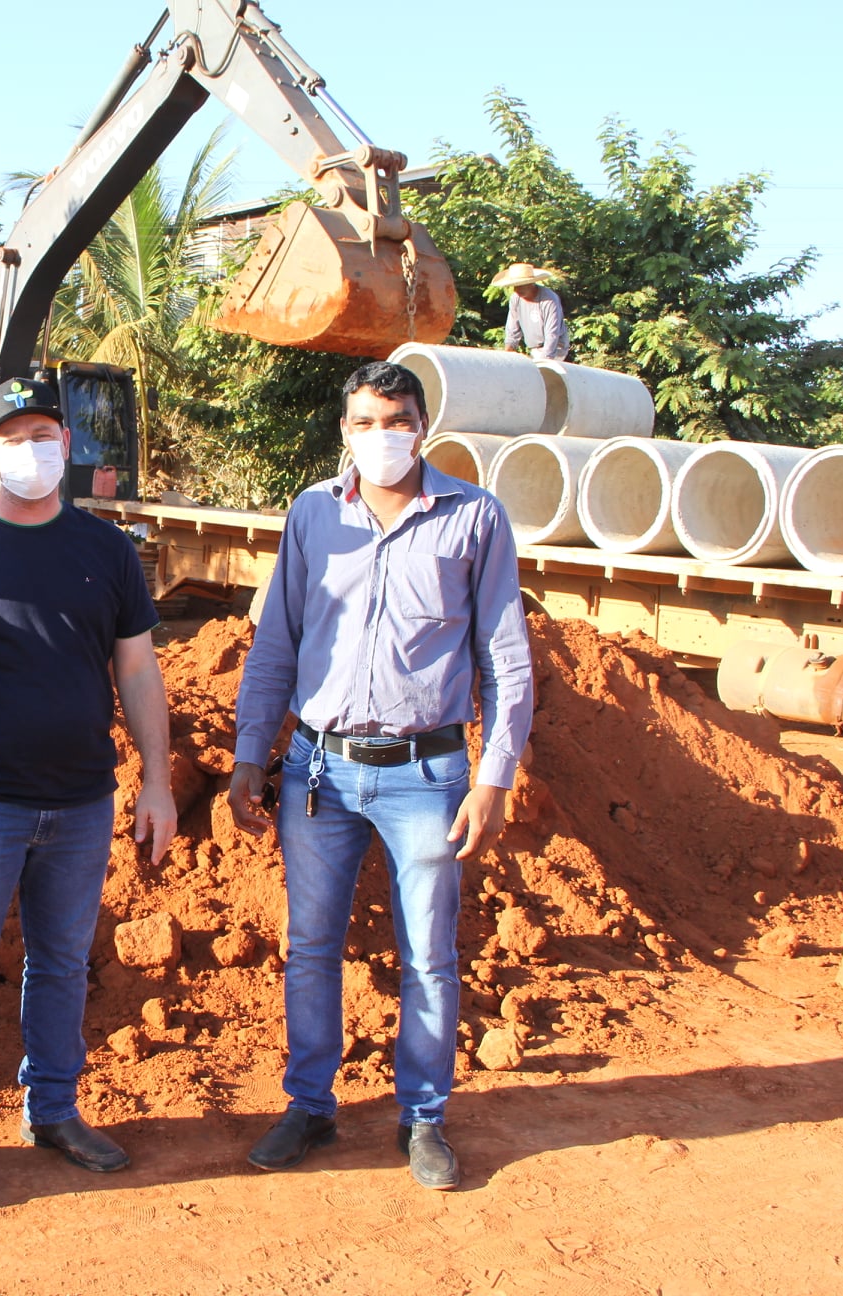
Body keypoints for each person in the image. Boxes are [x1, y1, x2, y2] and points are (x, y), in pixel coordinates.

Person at [227, 359, 533, 1192]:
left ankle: (423, 1118)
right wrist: (251, 754)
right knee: (311, 947)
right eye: (364, 422)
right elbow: (276, 645)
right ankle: (310, 1105)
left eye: (394, 421)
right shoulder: (312, 515)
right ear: (343, 431)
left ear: (421, 427)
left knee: (429, 955)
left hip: (426, 772)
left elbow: (504, 655)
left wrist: (495, 776)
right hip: (318, 773)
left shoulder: (473, 518)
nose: (379, 437)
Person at [0, 377, 177, 1205]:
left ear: (68, 443)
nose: (34, 450)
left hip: (82, 800)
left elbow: (137, 670)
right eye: (14, 437)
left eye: (45, 432)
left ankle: (52, 1108)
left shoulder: (107, 551)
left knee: (61, 963)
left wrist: (156, 780)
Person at [493, 262, 569, 361]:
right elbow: (512, 329)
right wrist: (508, 354)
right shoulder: (515, 298)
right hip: (534, 347)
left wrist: (545, 360)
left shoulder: (549, 300)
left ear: (531, 283)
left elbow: (552, 334)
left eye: (521, 285)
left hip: (556, 348)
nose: (517, 289)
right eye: (515, 286)